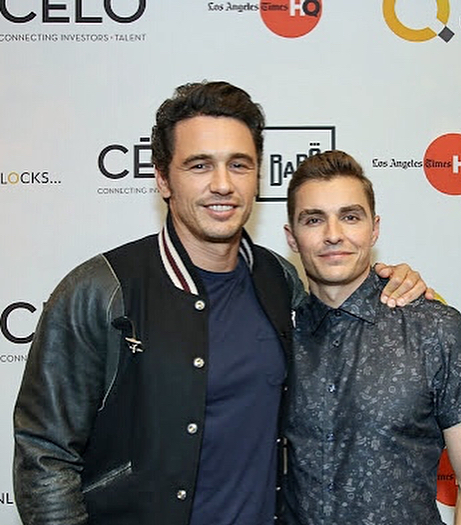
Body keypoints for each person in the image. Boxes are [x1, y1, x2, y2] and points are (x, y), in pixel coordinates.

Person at [13, 82, 428, 525]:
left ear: (257, 176)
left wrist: (394, 286)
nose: (222, 184)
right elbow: (46, 455)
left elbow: (343, 322)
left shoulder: (278, 280)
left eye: (239, 165)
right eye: (199, 165)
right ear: (162, 178)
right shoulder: (101, 290)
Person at [282, 150, 461, 525]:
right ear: (292, 237)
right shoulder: (272, 337)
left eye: (350, 217)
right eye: (314, 220)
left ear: (374, 228)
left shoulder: (436, 331)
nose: (333, 234)